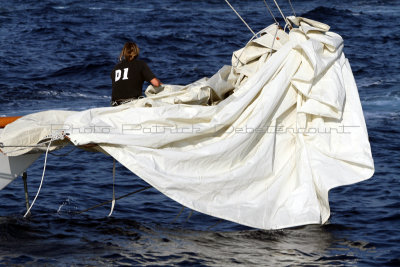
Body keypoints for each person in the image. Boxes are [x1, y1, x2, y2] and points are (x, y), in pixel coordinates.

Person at [110, 42, 161, 106]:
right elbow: (156, 83)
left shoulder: (115, 68)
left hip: (116, 104)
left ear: (123, 52)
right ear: (136, 52)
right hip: (132, 103)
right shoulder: (140, 65)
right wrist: (160, 84)